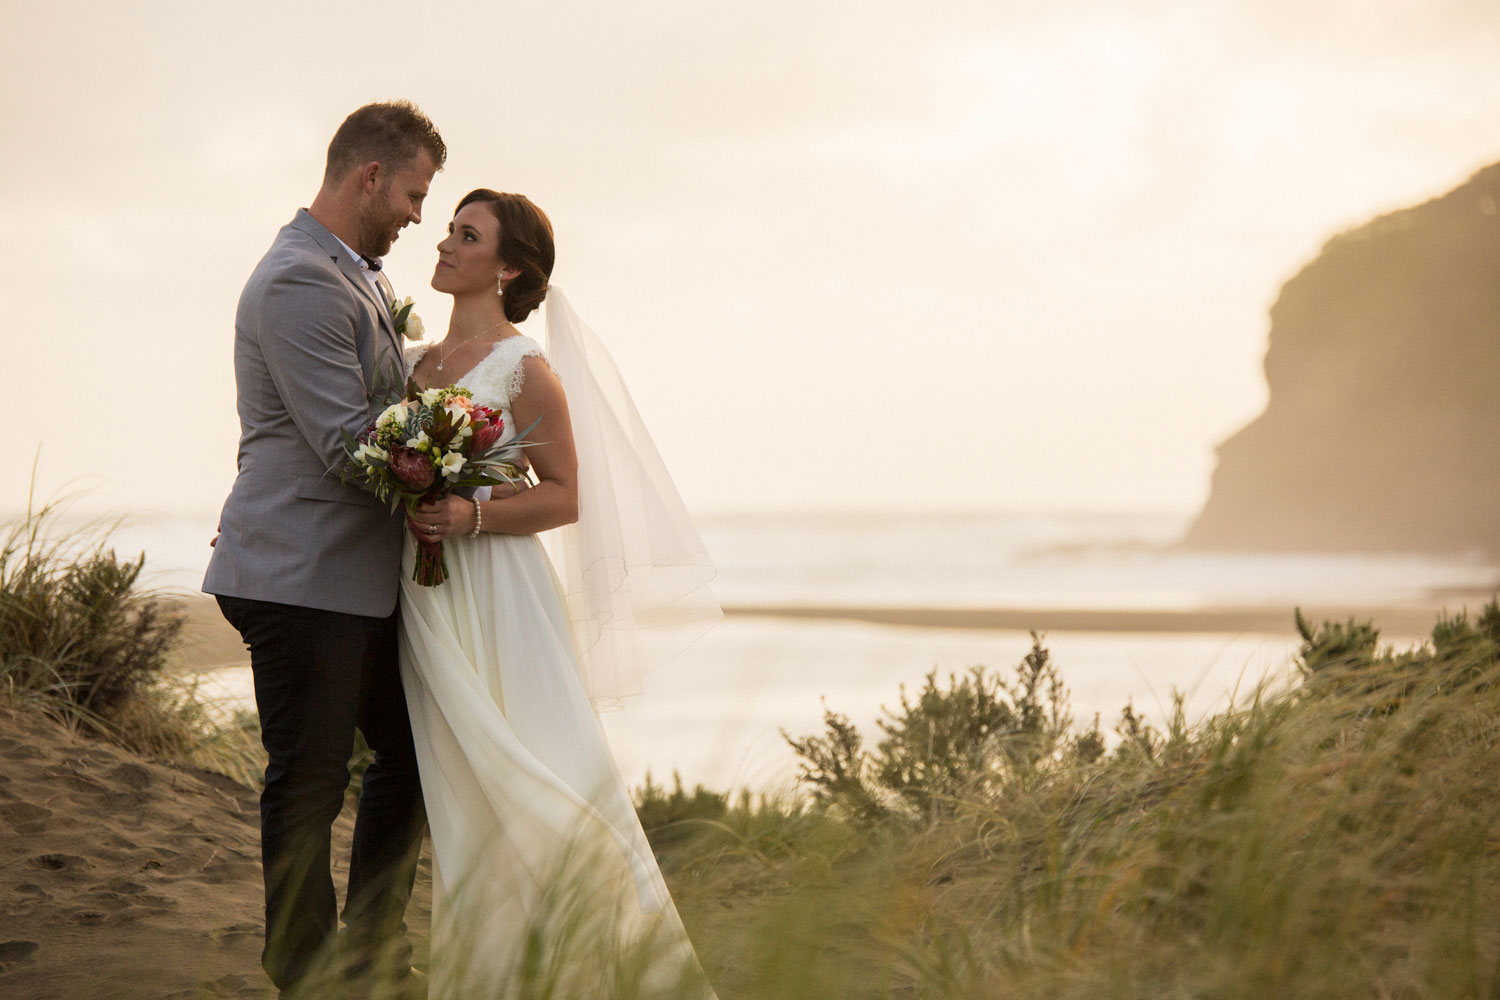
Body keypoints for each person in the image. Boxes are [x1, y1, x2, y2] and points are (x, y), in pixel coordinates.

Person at [399, 189, 720, 997]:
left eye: (465, 236)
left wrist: (470, 514)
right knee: (462, 780)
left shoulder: (525, 369)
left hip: (503, 593)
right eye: (447, 229)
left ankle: (608, 938)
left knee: (543, 765)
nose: (443, 244)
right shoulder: (413, 366)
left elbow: (567, 496)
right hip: (427, 596)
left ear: (507, 268)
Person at [203, 101, 444, 997]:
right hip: (301, 575)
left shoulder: (357, 276)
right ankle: (302, 972)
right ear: (370, 176)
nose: (420, 215)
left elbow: (331, 415)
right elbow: (348, 443)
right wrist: (456, 482)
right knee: (307, 780)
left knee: (411, 751)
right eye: (415, 194)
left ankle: (375, 950)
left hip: (346, 576)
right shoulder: (301, 279)